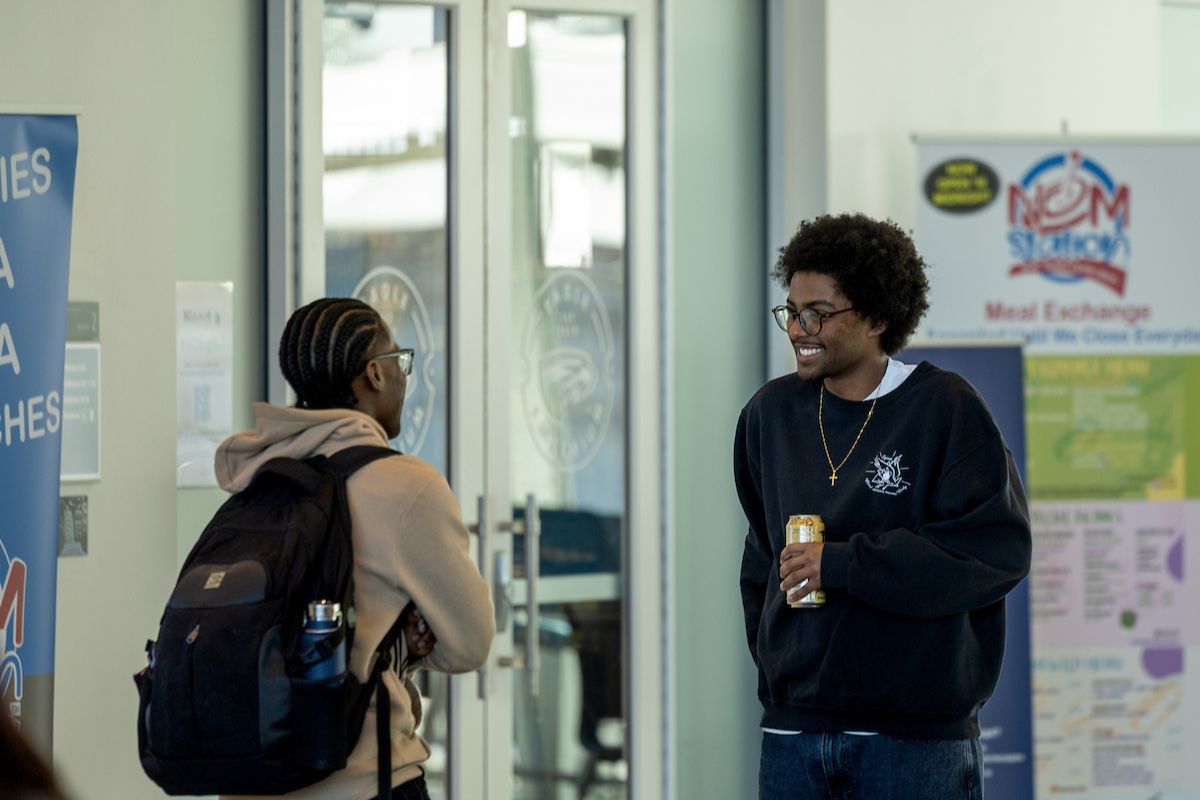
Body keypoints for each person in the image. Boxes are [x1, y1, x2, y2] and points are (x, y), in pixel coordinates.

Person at [734, 213, 1032, 800]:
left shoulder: (945, 409)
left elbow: (993, 554)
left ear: (877, 318)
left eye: (818, 313)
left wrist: (840, 564)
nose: (798, 329)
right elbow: (761, 560)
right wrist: (779, 665)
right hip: (793, 736)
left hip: (912, 743)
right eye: (791, 311)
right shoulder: (769, 415)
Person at [216, 297, 495, 800]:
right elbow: (469, 641)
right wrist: (402, 643)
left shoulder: (256, 476)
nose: (405, 376)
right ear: (375, 374)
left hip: (248, 780)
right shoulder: (407, 485)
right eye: (400, 360)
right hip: (363, 781)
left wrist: (391, 639)